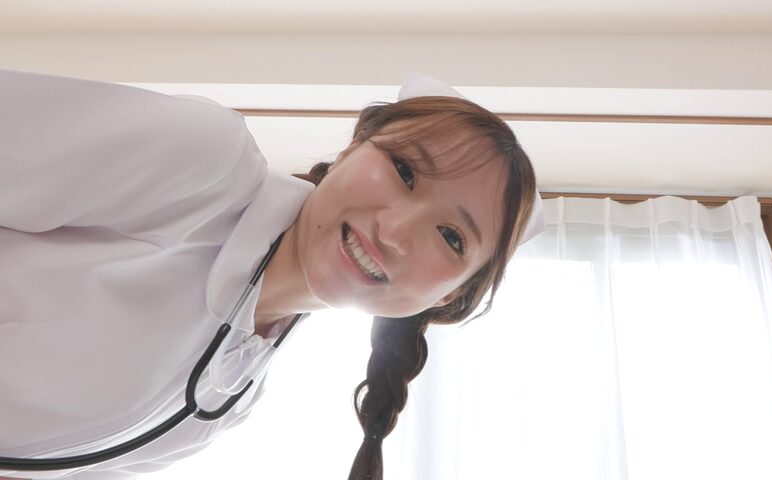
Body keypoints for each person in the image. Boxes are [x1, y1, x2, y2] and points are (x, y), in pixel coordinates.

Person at [0, 69, 542, 480]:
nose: (395, 232)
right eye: (403, 170)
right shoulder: (205, 162)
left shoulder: (228, 400)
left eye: (451, 237)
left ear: (450, 297)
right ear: (352, 147)